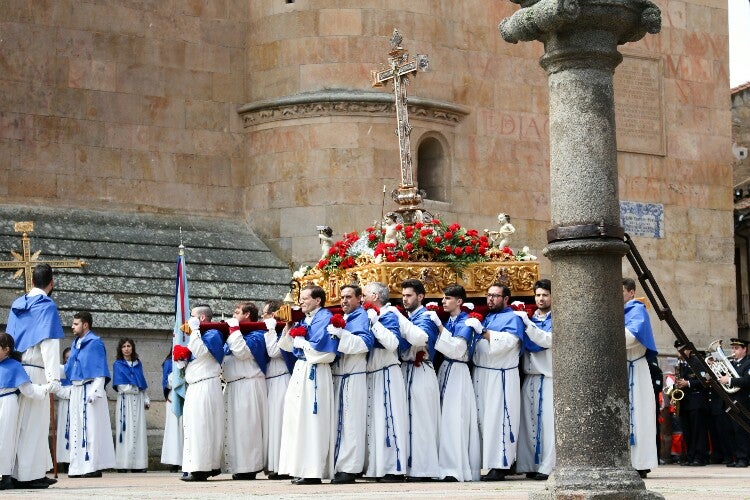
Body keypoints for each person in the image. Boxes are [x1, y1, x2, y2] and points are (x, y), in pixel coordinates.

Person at [5, 263, 63, 486]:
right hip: (37, 372)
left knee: (18, 423)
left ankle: (15, 470)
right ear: (51, 283)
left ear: (31, 282)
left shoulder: (18, 304)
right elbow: (49, 345)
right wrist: (54, 379)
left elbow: (8, 340)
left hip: (16, 369)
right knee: (34, 424)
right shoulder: (47, 306)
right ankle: (29, 475)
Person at [277, 285, 339, 484]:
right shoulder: (304, 319)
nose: (300, 302)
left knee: (314, 420)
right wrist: (289, 329)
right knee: (297, 419)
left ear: (318, 300)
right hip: (301, 369)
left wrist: (302, 342)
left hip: (316, 370)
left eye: (304, 298)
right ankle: (300, 467)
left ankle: (313, 471)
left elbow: (327, 353)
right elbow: (286, 346)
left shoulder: (325, 318)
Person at [471, 283, 524, 481]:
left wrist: (483, 332)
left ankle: (501, 464)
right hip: (483, 373)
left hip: (500, 375)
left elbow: (508, 342)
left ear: (506, 299)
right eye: (488, 295)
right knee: (485, 419)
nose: (490, 299)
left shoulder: (512, 318)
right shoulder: (489, 317)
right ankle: (489, 462)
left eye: (495, 296)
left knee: (499, 419)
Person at [327, 284, 375, 484]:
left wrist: (341, 334)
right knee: (341, 422)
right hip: (340, 375)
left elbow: (364, 344)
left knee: (352, 423)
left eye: (348, 297)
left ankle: (350, 468)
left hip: (354, 374)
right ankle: (339, 465)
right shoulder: (346, 318)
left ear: (359, 299)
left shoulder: (361, 317)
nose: (344, 301)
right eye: (342, 297)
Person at [432, 284, 481, 482]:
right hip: (446, 370)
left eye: (448, 298)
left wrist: (439, 327)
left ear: (459, 301)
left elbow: (457, 350)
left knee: (455, 419)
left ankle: (455, 468)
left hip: (458, 371)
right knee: (444, 419)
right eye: (443, 298)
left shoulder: (466, 322)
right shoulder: (451, 320)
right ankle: (444, 466)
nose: (443, 301)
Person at [363, 281, 409, 482]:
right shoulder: (371, 316)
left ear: (374, 296)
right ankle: (377, 467)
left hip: (387, 372)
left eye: (365, 294)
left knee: (390, 419)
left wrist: (375, 323)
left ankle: (394, 468)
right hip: (374, 372)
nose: (363, 298)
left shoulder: (388, 316)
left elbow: (392, 343)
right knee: (376, 421)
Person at [396, 279, 440, 481]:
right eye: (403, 295)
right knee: (407, 420)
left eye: (409, 295)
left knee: (422, 420)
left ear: (420, 297)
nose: (405, 299)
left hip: (421, 369)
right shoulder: (409, 316)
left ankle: (423, 469)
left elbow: (421, 339)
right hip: (406, 370)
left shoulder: (427, 317)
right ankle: (409, 465)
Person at [64, 311, 116, 478]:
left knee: (91, 428)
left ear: (85, 325)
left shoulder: (95, 343)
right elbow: (70, 368)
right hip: (76, 389)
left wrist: (95, 391)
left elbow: (100, 370)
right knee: (76, 428)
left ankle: (92, 466)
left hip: (89, 389)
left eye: (76, 324)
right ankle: (76, 466)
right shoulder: (75, 343)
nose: (72, 326)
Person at [222, 302, 269, 480]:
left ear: (247, 314)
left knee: (247, 428)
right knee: (235, 429)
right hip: (234, 385)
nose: (233, 315)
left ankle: (250, 467)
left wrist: (233, 330)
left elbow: (242, 352)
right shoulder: (235, 334)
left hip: (249, 384)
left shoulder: (257, 334)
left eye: (237, 312)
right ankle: (239, 465)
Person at [0, 332, 51, 490]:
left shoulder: (14, 366)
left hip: (7, 402)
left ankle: (5, 476)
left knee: (5, 439)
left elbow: (28, 390)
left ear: (6, 349)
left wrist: (45, 389)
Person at [180, 304, 225, 481]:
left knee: (202, 426)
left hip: (205, 385)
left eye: (192, 316)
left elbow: (201, 351)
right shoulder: (199, 334)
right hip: (196, 385)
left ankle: (201, 469)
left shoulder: (212, 334)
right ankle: (200, 465)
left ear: (201, 318)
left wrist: (195, 331)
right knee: (195, 426)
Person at [515, 279, 555, 481]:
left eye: (545, 295)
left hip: (548, 377)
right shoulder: (530, 318)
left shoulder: (557, 320)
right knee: (529, 423)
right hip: (529, 377)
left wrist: (528, 324)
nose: (541, 298)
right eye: (538, 295)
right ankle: (530, 464)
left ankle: (548, 467)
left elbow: (547, 340)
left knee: (548, 426)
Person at [622, 278, 659, 478]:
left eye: (621, 291)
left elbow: (630, 337)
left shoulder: (637, 310)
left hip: (636, 367)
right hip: (621, 368)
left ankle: (641, 462)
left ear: (631, 293)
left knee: (639, 416)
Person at [261, 299, 294, 480]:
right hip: (271, 380)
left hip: (282, 378)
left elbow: (275, 351)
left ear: (273, 315)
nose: (263, 317)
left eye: (265, 313)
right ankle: (274, 464)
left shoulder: (282, 329)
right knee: (272, 424)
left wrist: (271, 329)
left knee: (281, 422)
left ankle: (284, 465)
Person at [113, 338, 150, 472]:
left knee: (138, 430)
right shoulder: (118, 364)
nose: (127, 348)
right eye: (124, 346)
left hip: (139, 401)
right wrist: (135, 389)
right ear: (120, 349)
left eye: (129, 346)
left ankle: (138, 465)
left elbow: (142, 384)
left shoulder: (138, 363)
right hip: (125, 401)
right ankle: (123, 464)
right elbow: (121, 386)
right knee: (125, 431)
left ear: (132, 348)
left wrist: (146, 398)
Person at [673, 348, 709, 466]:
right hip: (685, 402)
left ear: (689, 350)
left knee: (698, 431)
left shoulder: (697, 362)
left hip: (697, 402)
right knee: (688, 432)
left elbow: (705, 380)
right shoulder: (681, 364)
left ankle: (700, 457)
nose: (679, 353)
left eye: (682, 350)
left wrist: (687, 383)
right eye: (678, 351)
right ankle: (690, 456)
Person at [719, 337, 750, 468]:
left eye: (737, 348)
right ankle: (736, 457)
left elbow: (747, 381)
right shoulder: (731, 363)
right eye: (732, 348)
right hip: (730, 401)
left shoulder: (748, 363)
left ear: (745, 349)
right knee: (731, 430)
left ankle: (743, 458)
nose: (733, 351)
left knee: (741, 431)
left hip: (743, 402)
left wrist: (730, 381)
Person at [160, 350, 182, 472]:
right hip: (173, 398)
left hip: (187, 397)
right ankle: (174, 461)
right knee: (173, 430)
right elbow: (167, 383)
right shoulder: (169, 362)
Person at [55, 347, 72, 471]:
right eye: (67, 358)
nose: (69, 360)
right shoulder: (60, 370)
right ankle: (65, 462)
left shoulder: (80, 369)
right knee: (64, 433)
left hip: (76, 405)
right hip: (64, 405)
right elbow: (57, 388)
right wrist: (71, 393)